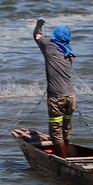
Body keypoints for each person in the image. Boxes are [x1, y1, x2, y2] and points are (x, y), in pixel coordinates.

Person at [32, 18, 76, 158]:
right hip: (70, 98)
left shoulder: (48, 45)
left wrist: (39, 24)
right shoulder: (69, 53)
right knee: (66, 128)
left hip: (57, 98)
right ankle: (66, 153)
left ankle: (63, 160)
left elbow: (36, 36)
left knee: (56, 132)